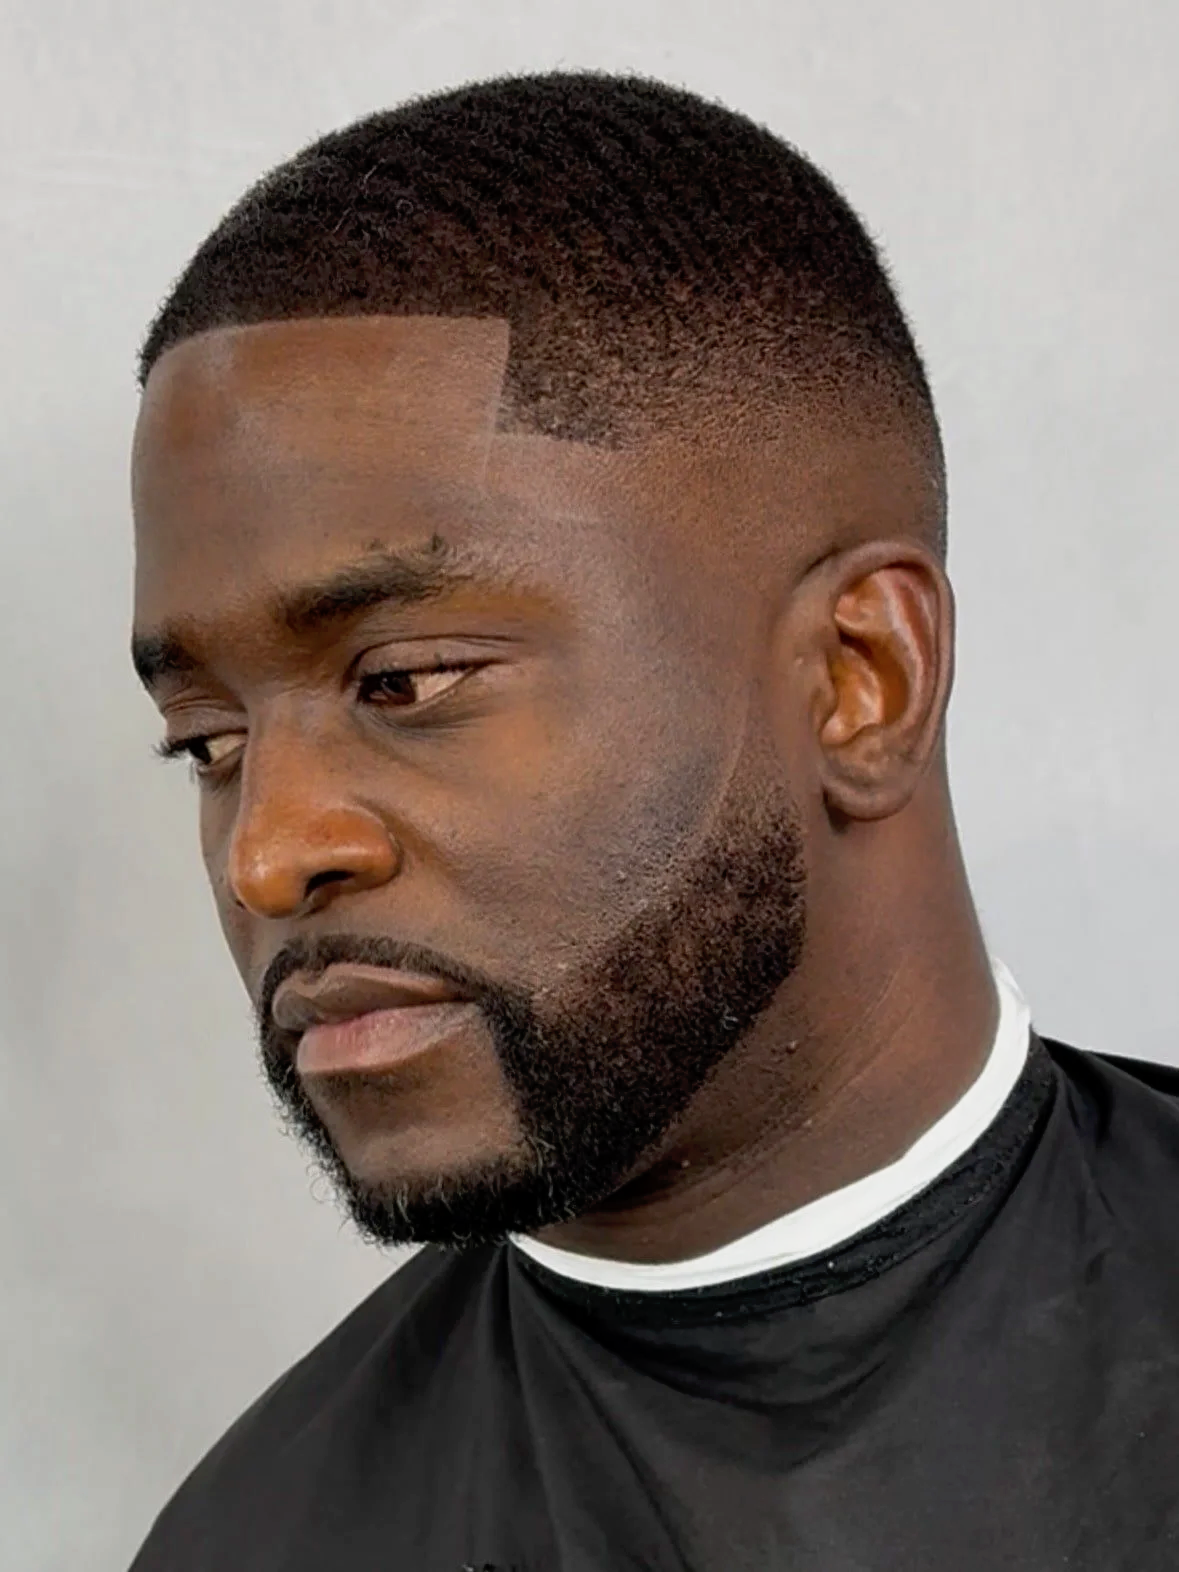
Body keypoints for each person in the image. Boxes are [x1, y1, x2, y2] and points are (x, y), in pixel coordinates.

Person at [126, 71, 1179, 1572]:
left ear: (857, 684)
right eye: (207, 743)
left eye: (407, 681)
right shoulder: (257, 1540)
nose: (268, 853)